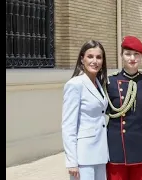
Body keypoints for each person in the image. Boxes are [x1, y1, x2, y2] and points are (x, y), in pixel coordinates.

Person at [104, 35, 142, 180]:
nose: (132, 58)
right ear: (121, 56)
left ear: (141, 57)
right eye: (128, 54)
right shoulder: (110, 81)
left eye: (136, 54)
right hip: (116, 145)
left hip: (141, 144)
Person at [62, 40, 109, 180]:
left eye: (99, 57)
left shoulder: (99, 84)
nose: (95, 61)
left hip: (100, 153)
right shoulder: (75, 84)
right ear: (82, 59)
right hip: (83, 156)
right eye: (90, 56)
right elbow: (68, 125)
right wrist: (71, 161)